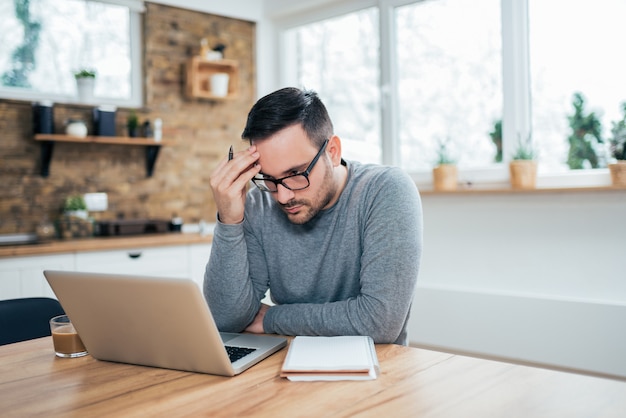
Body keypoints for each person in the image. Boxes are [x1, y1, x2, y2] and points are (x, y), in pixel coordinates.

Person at [205, 87, 422, 345]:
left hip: (376, 373)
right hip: (284, 369)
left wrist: (271, 319)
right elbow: (226, 320)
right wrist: (229, 220)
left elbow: (379, 322)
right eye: (269, 179)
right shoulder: (258, 203)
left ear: (332, 152)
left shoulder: (386, 190)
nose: (282, 196)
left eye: (296, 173)